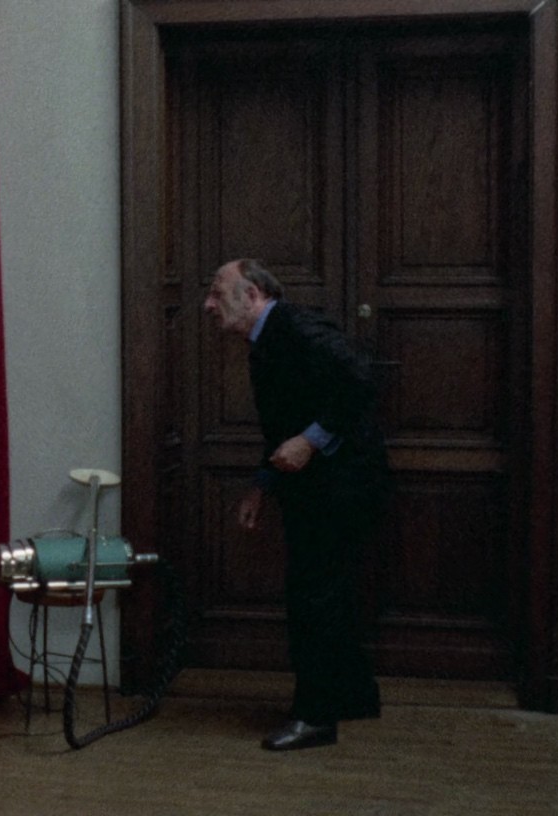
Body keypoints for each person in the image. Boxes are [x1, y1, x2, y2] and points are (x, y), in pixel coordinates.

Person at [202, 258, 386, 751]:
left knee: (314, 598)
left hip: (342, 485)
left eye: (218, 292)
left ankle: (316, 718)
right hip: (323, 486)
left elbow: (361, 378)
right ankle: (353, 697)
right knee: (327, 594)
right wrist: (262, 485)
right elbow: (281, 422)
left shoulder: (295, 327)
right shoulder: (267, 338)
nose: (208, 304)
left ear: (253, 294)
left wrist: (310, 441)